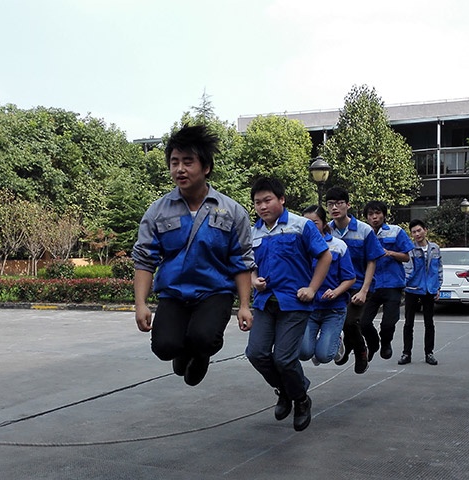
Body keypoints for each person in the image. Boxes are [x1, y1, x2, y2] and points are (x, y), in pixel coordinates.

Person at [132, 124, 254, 386]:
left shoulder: (232, 211)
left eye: (188, 162)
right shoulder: (158, 211)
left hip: (215, 291)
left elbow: (242, 260)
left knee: (204, 338)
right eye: (174, 162)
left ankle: (201, 353)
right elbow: (144, 259)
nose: (180, 169)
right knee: (164, 347)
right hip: (175, 292)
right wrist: (140, 303)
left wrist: (244, 305)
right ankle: (185, 349)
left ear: (206, 167)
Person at [246, 178, 331, 432]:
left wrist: (312, 288)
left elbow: (325, 256)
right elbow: (248, 265)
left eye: (267, 200)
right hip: (265, 303)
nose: (262, 206)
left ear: (281, 199)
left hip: (294, 303)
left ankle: (301, 400)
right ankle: (286, 390)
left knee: (284, 358)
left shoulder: (301, 225)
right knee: (256, 353)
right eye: (257, 202)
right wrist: (254, 280)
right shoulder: (253, 232)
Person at [325, 187, 385, 374]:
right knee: (338, 321)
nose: (335, 208)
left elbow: (372, 261)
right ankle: (347, 345)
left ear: (348, 205)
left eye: (339, 203)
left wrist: (364, 290)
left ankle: (361, 351)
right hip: (336, 287)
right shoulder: (327, 230)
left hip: (359, 285)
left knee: (350, 322)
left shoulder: (364, 230)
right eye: (330, 204)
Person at [298, 205, 356, 365]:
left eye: (314, 223)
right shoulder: (299, 246)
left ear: (324, 223)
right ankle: (321, 343)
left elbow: (350, 278)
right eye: (305, 223)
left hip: (333, 309)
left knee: (324, 356)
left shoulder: (338, 246)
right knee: (303, 353)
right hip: (309, 308)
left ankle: (337, 339)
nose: (309, 227)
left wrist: (336, 292)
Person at [359, 201, 413, 360]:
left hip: (392, 284)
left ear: (384, 215)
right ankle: (373, 343)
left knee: (388, 323)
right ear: (366, 217)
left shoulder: (396, 231)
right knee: (363, 322)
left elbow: (406, 257)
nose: (374, 217)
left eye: (377, 213)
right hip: (370, 285)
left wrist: (389, 253)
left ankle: (386, 342)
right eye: (370, 214)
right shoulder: (362, 233)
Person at [400, 219, 442, 365]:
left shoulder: (435, 248)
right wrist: (404, 284)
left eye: (419, 230)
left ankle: (429, 353)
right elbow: (407, 269)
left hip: (429, 290)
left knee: (429, 323)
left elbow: (438, 269)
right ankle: (406, 353)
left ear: (425, 230)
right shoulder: (409, 249)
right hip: (412, 289)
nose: (417, 234)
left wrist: (438, 287)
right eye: (414, 232)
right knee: (408, 323)